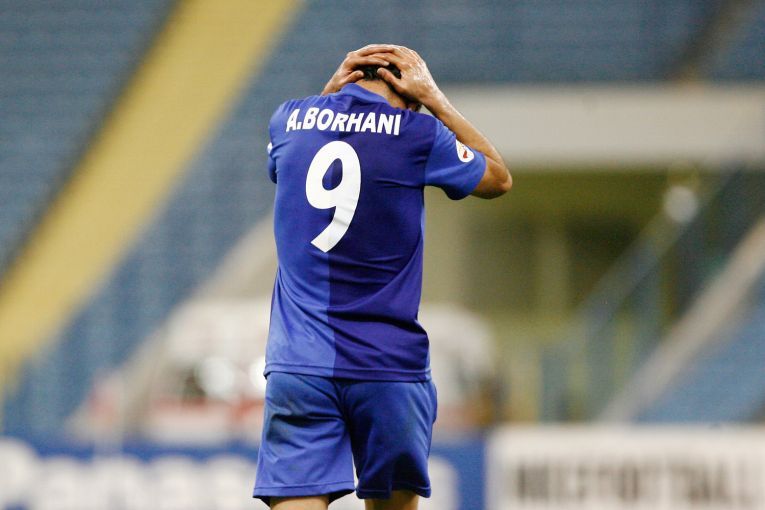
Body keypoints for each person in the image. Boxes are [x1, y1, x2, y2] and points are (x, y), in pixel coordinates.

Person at [254, 44, 511, 510]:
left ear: (351, 78)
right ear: (410, 96)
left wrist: (328, 97)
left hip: (299, 363)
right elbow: (497, 178)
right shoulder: (418, 133)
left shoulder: (288, 118)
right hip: (387, 366)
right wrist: (435, 99)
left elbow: (283, 163)